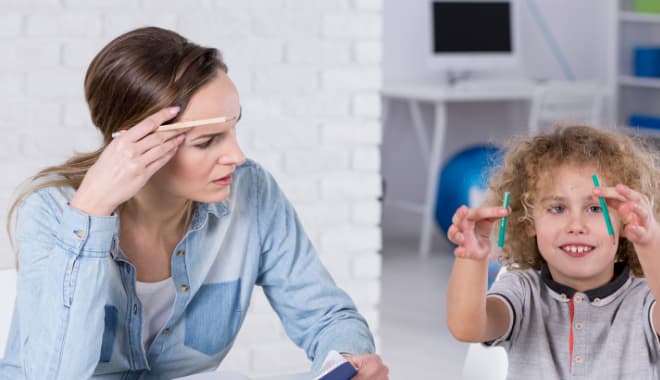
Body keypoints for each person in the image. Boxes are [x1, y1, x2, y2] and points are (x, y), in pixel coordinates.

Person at [0, 27, 388, 380]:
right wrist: (92, 211)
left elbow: (325, 315)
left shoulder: (251, 191)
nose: (236, 155)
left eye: (234, 128)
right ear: (135, 145)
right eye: (206, 141)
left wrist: (351, 359)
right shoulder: (51, 210)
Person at [445, 125, 660, 379]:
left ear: (625, 221)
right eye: (557, 208)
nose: (576, 226)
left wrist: (650, 239)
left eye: (594, 209)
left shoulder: (645, 299)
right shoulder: (523, 292)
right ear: (528, 223)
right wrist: (472, 259)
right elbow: (467, 328)